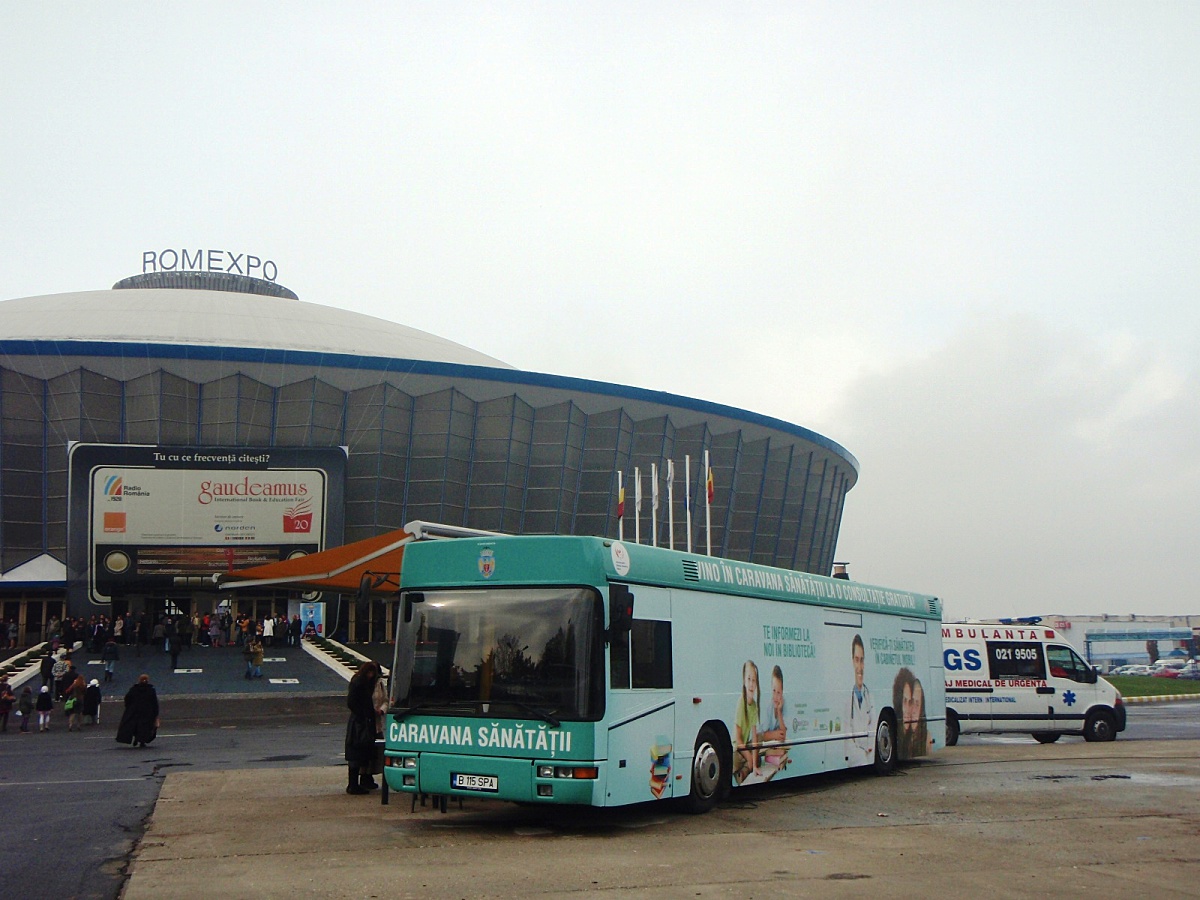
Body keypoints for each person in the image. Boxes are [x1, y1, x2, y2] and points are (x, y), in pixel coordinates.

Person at [345, 661, 381, 794]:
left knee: (359, 754)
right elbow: (352, 702)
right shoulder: (360, 684)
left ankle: (356, 783)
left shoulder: (359, 682)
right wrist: (363, 715)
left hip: (360, 721)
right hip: (360, 723)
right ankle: (354, 784)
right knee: (357, 753)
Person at [846, 634, 874, 766]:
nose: (860, 666)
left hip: (868, 754)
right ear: (852, 661)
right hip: (859, 758)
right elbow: (848, 745)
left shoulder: (869, 696)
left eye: (862, 660)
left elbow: (873, 729)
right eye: (857, 660)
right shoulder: (847, 699)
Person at [733, 659, 761, 783]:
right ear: (744, 681)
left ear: (756, 684)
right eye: (749, 679)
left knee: (758, 758)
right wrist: (749, 758)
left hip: (745, 748)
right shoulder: (741, 703)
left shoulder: (754, 706)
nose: (751, 684)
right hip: (737, 749)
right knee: (736, 760)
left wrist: (754, 765)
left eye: (753, 680)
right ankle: (743, 770)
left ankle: (743, 773)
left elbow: (754, 737)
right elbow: (738, 740)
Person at [116, 674, 159, 747]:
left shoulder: (134, 689)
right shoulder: (150, 690)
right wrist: (155, 713)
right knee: (144, 728)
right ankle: (142, 741)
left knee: (135, 726)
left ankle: (136, 738)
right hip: (147, 712)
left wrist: (129, 707)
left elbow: (127, 698)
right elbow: (154, 702)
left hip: (134, 711)